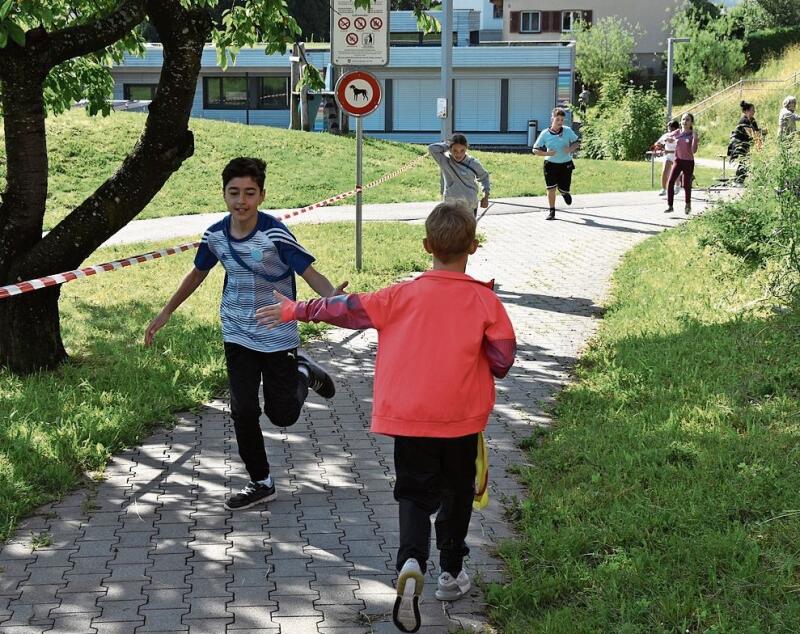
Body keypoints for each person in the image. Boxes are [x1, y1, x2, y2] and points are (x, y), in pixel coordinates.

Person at [255, 202, 516, 634]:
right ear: (472, 245)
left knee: (413, 493)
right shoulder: (485, 301)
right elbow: (503, 360)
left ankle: (411, 560)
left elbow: (346, 308)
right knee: (456, 494)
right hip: (462, 421)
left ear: (427, 246)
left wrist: (296, 311)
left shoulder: (398, 295)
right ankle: (451, 574)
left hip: (410, 419)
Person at [144, 157, 346, 511]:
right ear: (223, 194)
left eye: (249, 193)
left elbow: (309, 273)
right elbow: (196, 274)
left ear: (262, 195)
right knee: (243, 409)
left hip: (277, 333)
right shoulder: (216, 236)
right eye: (234, 192)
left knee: (282, 415)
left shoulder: (275, 234)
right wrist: (166, 312)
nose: (241, 201)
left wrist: (335, 301)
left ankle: (303, 371)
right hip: (237, 332)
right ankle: (261, 481)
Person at [532, 107, 581, 220]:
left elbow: (577, 142)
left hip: (566, 164)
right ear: (552, 119)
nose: (559, 122)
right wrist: (547, 153)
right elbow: (535, 149)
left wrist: (570, 149)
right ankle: (552, 211)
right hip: (550, 164)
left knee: (564, 187)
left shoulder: (567, 130)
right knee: (551, 188)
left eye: (562, 120)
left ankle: (564, 192)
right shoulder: (545, 133)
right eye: (557, 119)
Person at [428, 134, 491, 217]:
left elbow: (484, 177)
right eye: (455, 150)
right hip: (451, 206)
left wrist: (485, 196)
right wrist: (448, 145)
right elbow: (432, 148)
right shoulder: (445, 161)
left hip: (470, 206)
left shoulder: (473, 163)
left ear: (466, 149)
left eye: (462, 150)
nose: (458, 154)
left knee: (468, 230)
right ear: (450, 149)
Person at [665, 112, 699, 215]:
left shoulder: (692, 134)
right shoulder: (677, 132)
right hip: (678, 160)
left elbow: (693, 151)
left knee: (686, 184)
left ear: (691, 122)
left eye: (687, 119)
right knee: (670, 182)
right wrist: (669, 139)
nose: (685, 121)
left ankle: (688, 204)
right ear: (681, 121)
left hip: (688, 162)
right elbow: (667, 138)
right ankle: (670, 206)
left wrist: (695, 139)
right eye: (683, 119)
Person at [728, 100, 764, 184]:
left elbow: (757, 132)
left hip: (746, 144)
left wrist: (760, 144)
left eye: (754, 110)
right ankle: (738, 181)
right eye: (752, 110)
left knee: (747, 161)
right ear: (746, 111)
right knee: (744, 161)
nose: (754, 111)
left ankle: (740, 180)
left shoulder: (753, 120)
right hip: (739, 144)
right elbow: (751, 134)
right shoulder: (744, 120)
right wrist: (759, 138)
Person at [654, 120, 681, 196]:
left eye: (671, 129)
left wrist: (669, 151)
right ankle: (663, 189)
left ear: (676, 129)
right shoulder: (666, 135)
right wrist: (659, 147)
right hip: (668, 157)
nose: (670, 131)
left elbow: (680, 150)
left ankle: (678, 185)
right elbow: (657, 143)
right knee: (665, 171)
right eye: (669, 129)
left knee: (676, 174)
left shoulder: (679, 136)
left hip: (677, 157)